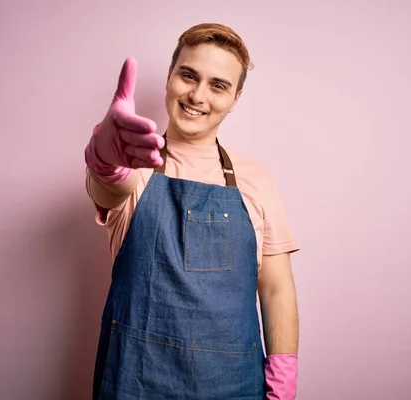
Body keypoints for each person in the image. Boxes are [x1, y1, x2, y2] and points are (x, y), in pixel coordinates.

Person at [84, 22, 300, 400]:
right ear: (169, 78)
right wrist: (103, 157)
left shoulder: (257, 179)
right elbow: (107, 184)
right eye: (188, 75)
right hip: (135, 380)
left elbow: (277, 289)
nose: (198, 95)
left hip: (234, 384)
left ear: (235, 99)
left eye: (218, 85)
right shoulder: (134, 166)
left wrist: (283, 383)